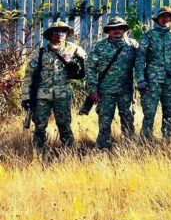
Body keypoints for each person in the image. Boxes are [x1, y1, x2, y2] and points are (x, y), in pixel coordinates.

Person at [21, 20, 87, 150]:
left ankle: (69, 152)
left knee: (64, 125)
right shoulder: (40, 52)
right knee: (40, 126)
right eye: (55, 32)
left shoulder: (74, 49)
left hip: (62, 94)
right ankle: (37, 153)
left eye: (63, 31)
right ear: (50, 35)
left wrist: (81, 59)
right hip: (42, 95)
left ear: (67, 34)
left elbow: (86, 67)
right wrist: (26, 96)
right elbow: (29, 75)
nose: (59, 34)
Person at [85, 17, 138, 150]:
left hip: (126, 92)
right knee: (104, 122)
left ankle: (129, 149)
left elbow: (141, 65)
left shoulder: (133, 45)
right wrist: (92, 89)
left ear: (125, 30)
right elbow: (90, 68)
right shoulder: (99, 47)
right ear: (108, 31)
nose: (117, 30)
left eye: (120, 28)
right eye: (113, 28)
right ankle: (102, 149)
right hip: (105, 92)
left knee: (128, 120)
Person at [135, 6, 171, 141]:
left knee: (169, 112)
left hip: (170, 80)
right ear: (158, 18)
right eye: (162, 16)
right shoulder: (148, 36)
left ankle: (167, 140)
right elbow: (140, 59)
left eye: (168, 16)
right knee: (149, 112)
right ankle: (145, 140)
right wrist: (140, 79)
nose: (165, 19)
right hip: (152, 80)